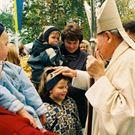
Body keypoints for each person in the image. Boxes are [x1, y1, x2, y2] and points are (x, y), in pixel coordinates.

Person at [54, 0, 135, 135]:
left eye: (97, 41)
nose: (96, 47)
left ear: (108, 37)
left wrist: (99, 75)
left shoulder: (130, 61)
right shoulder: (119, 58)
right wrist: (76, 74)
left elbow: (126, 116)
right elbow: (109, 83)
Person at [0, 23, 46, 129]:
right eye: (6, 44)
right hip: (12, 117)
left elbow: (28, 89)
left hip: (28, 113)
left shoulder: (14, 69)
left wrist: (39, 109)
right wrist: (20, 109)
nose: (8, 47)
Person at [60, 22, 89, 128]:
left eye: (75, 43)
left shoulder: (86, 58)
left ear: (79, 41)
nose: (71, 46)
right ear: (63, 40)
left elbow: (90, 81)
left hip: (79, 105)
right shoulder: (55, 54)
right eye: (68, 42)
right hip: (58, 104)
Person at [38, 67, 82, 135]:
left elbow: (78, 125)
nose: (65, 90)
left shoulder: (71, 102)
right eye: (61, 87)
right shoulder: (44, 109)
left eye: (66, 87)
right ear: (50, 89)